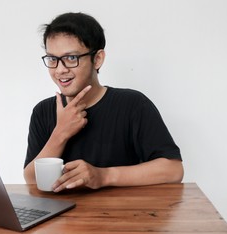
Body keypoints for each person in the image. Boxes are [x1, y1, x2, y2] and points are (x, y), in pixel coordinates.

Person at [24, 12, 183, 192]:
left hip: (122, 217)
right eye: (53, 59)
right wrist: (61, 132)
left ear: (97, 59)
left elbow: (173, 170)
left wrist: (103, 176)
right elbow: (30, 180)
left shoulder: (133, 104)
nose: (60, 70)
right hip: (63, 218)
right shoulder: (42, 111)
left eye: (71, 58)